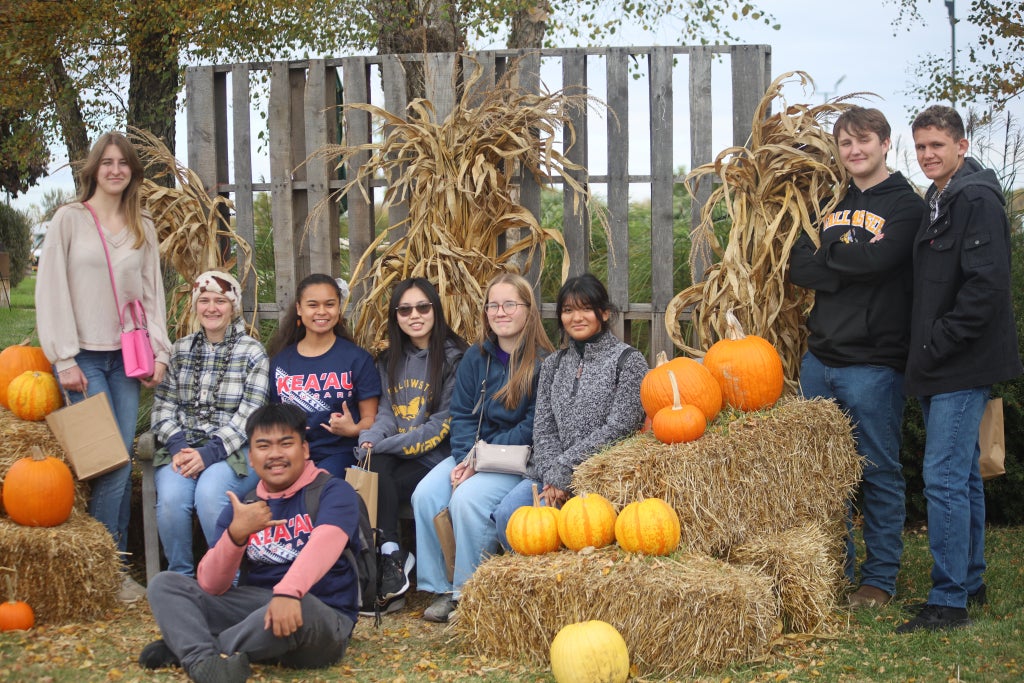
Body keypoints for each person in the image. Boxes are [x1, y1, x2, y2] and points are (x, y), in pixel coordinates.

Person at [788, 107, 926, 609]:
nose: (854, 150)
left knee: (878, 471)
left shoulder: (906, 206)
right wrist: (846, 262)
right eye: (845, 143)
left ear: (885, 143)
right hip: (820, 359)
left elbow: (881, 262)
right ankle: (835, 569)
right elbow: (799, 265)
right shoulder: (831, 203)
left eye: (863, 140)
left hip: (874, 363)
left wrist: (833, 258)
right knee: (826, 473)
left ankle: (879, 579)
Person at [895, 105, 1022, 633]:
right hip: (941, 361)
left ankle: (948, 602)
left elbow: (985, 287)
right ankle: (970, 580)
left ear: (962, 146)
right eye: (921, 146)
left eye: (937, 146)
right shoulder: (939, 197)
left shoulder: (975, 199)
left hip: (960, 362)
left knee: (943, 477)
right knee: (964, 475)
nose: (927, 155)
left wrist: (936, 342)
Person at [36, 131, 171, 603]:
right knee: (109, 461)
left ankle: (105, 571)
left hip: (126, 358)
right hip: (84, 357)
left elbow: (152, 295)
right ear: (94, 169)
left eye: (124, 163)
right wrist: (64, 357)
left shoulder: (142, 225)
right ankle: (106, 572)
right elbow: (51, 288)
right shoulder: (69, 220)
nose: (116, 169)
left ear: (133, 171)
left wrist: (161, 351)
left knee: (118, 459)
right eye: (107, 162)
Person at [139, 403, 363, 683]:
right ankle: (207, 663)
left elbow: (325, 543)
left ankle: (197, 650)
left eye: (286, 444)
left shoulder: (334, 491)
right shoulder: (242, 507)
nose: (275, 454)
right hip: (257, 611)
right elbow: (211, 585)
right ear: (252, 458)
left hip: (323, 617)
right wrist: (236, 535)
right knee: (165, 584)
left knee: (304, 606)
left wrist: (289, 592)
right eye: (264, 446)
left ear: (304, 450)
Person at [411, 272, 553, 623]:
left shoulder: (544, 361)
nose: (500, 312)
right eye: (493, 305)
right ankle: (440, 586)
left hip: (519, 461)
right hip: (474, 454)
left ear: (528, 310)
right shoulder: (476, 358)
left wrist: (480, 461)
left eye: (509, 304)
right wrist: (464, 459)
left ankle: (468, 592)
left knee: (468, 498)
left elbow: (534, 427)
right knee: (426, 493)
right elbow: (459, 415)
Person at [493, 273, 647, 546]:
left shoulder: (628, 361)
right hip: (550, 476)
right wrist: (553, 475)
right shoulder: (553, 364)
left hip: (599, 476)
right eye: (568, 310)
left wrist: (565, 469)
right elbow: (543, 428)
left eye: (586, 308)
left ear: (604, 313)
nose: (577, 317)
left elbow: (620, 427)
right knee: (508, 515)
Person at [356, 278, 468, 610]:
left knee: (378, 467)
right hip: (398, 459)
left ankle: (390, 563)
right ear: (396, 316)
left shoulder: (454, 359)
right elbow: (387, 415)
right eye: (404, 309)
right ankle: (392, 555)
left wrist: (382, 448)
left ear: (436, 309)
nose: (414, 315)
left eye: (423, 307)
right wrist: (369, 440)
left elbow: (440, 426)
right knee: (373, 467)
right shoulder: (389, 359)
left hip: (434, 460)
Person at [149, 271, 269, 576]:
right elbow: (163, 408)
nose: (211, 308)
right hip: (183, 449)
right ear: (195, 305)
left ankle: (226, 579)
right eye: (204, 300)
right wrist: (178, 446)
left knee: (210, 494)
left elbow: (250, 417)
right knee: (172, 500)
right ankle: (181, 577)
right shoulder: (179, 350)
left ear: (233, 307)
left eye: (220, 301)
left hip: (233, 452)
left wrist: (209, 454)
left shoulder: (252, 352)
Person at [266, 273, 381, 477]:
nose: (322, 312)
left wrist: (353, 429)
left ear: (339, 307)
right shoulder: (280, 363)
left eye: (329, 304)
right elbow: (274, 420)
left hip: (340, 454)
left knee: (315, 489)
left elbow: (371, 419)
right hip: (291, 455)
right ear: (299, 309)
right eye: (313, 305)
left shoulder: (357, 359)